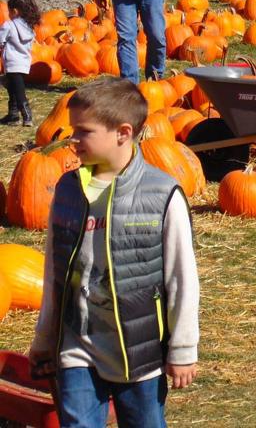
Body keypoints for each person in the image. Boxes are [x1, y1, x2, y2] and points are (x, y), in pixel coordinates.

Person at [29, 77, 199, 428]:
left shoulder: (161, 195)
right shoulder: (68, 189)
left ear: (123, 132)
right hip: (77, 344)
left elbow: (181, 278)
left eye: (83, 132)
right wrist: (46, 337)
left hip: (138, 353)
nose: (72, 140)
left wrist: (183, 349)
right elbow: (54, 271)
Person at [0, 0, 39, 126]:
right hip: (24, 63)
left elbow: (0, 40)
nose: (8, 14)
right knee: (12, 88)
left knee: (18, 91)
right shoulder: (29, 27)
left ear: (14, 11)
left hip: (12, 63)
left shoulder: (9, 25)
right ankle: (13, 115)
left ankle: (27, 116)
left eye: (9, 11)